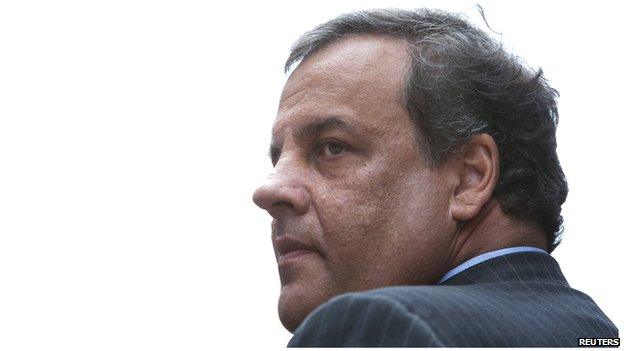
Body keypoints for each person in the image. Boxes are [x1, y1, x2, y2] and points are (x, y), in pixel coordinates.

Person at [252, 8, 618, 347]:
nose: (269, 189)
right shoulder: (598, 335)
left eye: (332, 148)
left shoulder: (374, 328)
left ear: (470, 178)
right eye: (278, 157)